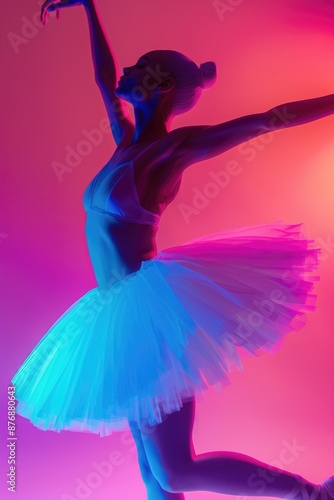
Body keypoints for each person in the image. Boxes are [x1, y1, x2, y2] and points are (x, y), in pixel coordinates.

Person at [11, 1, 334, 499]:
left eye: (140, 67)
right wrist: (88, 7)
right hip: (114, 314)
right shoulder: (125, 143)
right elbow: (103, 79)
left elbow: (269, 119)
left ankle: (309, 494)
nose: (127, 71)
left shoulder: (174, 148)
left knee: (174, 468)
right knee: (152, 463)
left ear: (160, 86)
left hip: (149, 312)